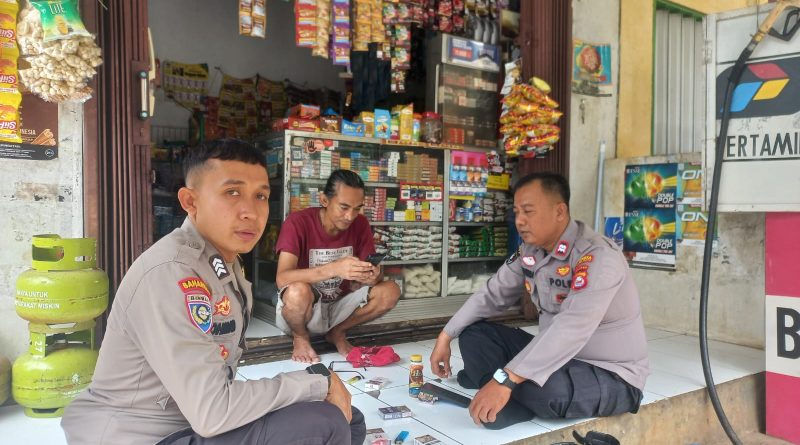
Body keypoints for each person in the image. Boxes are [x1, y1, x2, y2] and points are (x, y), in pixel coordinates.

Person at [61, 139, 366, 445]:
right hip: (144, 434)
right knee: (325, 422)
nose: (251, 212)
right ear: (190, 202)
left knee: (349, 419)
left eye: (260, 196)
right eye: (232, 192)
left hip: (190, 417)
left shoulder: (223, 263)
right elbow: (213, 412)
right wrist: (316, 380)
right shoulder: (172, 272)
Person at [429, 172, 649, 430]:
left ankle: (497, 388)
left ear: (559, 211)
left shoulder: (597, 256)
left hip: (609, 373)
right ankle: (500, 389)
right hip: (554, 357)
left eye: (529, 211)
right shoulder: (530, 251)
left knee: (546, 390)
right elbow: (492, 294)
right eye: (516, 212)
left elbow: (573, 325)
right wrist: (446, 335)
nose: (519, 221)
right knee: (473, 334)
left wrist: (506, 378)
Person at [275, 169, 401, 363]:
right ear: (324, 200)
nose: (350, 216)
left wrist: (371, 275)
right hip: (303, 311)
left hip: (340, 308)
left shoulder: (360, 224)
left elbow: (376, 278)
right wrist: (334, 268)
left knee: (390, 290)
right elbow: (282, 278)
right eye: (344, 207)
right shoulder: (297, 222)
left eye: (357, 208)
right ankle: (300, 337)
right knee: (296, 291)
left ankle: (337, 332)